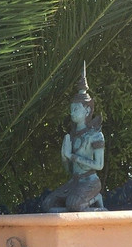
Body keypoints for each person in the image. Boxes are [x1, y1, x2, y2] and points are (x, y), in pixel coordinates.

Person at [42, 64, 106, 212]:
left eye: (76, 109)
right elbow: (70, 170)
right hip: (75, 182)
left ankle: (96, 199)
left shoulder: (95, 135)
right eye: (71, 109)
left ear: (87, 110)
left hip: (90, 181)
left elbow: (99, 165)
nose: (73, 113)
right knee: (48, 204)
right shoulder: (71, 136)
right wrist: (64, 158)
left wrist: (73, 156)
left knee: (73, 205)